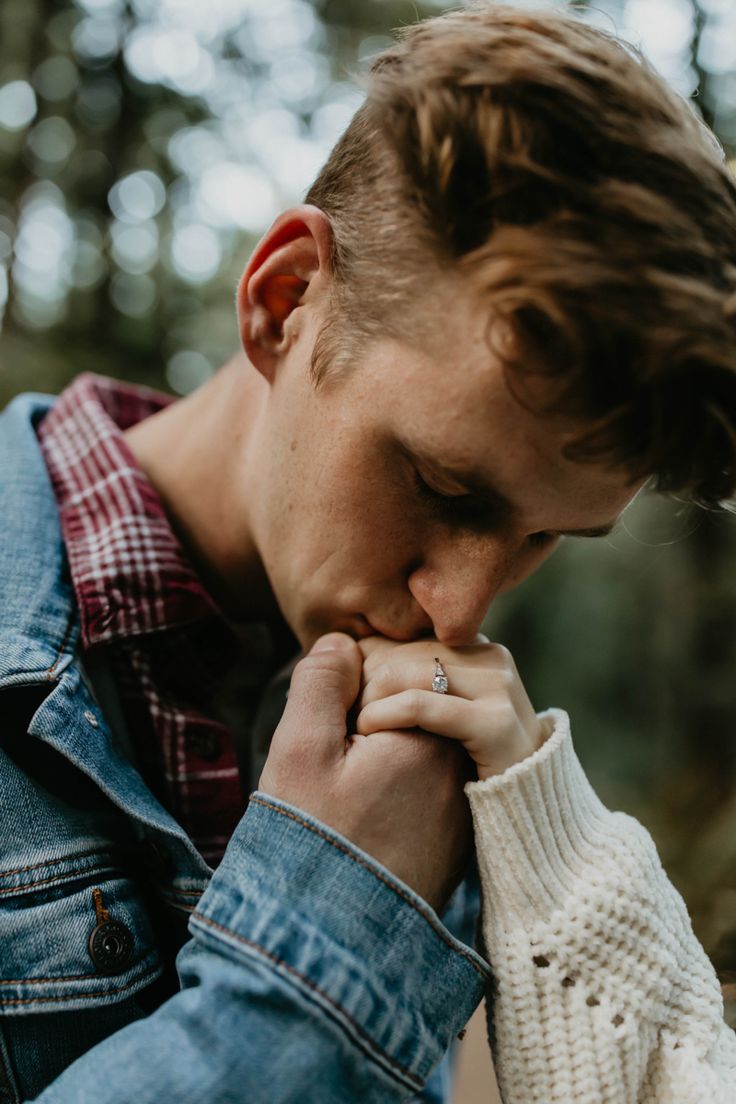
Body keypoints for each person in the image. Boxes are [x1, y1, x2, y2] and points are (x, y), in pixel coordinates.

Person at [0, 2, 734, 1101]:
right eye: (440, 484)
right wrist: (338, 925)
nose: (459, 608)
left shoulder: (433, 752)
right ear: (285, 301)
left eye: (544, 537)